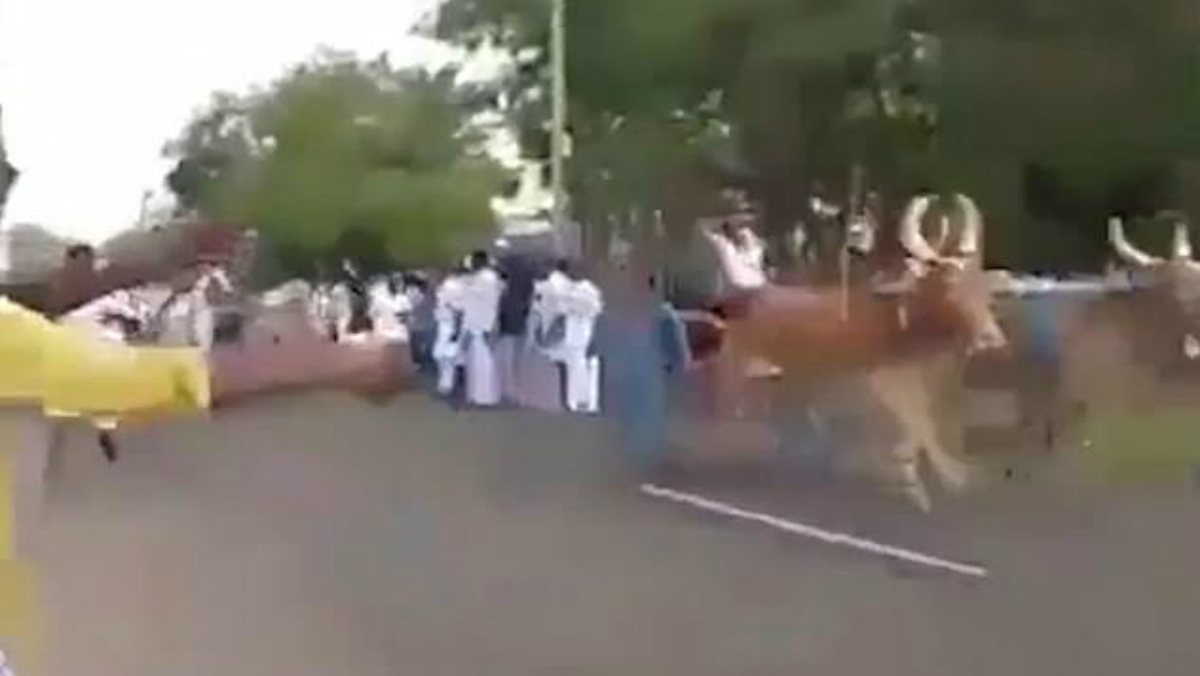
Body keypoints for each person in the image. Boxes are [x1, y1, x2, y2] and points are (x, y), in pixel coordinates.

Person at [458, 251, 506, 407]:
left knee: (482, 362)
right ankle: (480, 395)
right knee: (479, 361)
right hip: (480, 323)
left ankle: (484, 396)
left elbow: (477, 303)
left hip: (481, 324)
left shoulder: (485, 279)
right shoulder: (485, 278)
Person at [432, 265, 468, 397]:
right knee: (443, 355)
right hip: (445, 324)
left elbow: (459, 310)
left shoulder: (455, 286)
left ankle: (446, 384)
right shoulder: (449, 286)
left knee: (446, 356)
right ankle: (447, 382)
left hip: (450, 325)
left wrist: (456, 330)